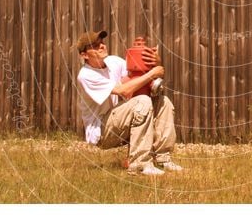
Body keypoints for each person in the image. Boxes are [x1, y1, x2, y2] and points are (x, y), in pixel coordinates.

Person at [75, 29, 183, 176]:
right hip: (102, 131)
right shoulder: (86, 75)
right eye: (95, 45)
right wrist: (152, 73)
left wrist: (155, 62)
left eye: (101, 43)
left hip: (118, 121)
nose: (102, 46)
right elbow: (124, 91)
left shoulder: (114, 62)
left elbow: (136, 77)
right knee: (142, 102)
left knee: (164, 102)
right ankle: (140, 165)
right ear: (84, 55)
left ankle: (163, 159)